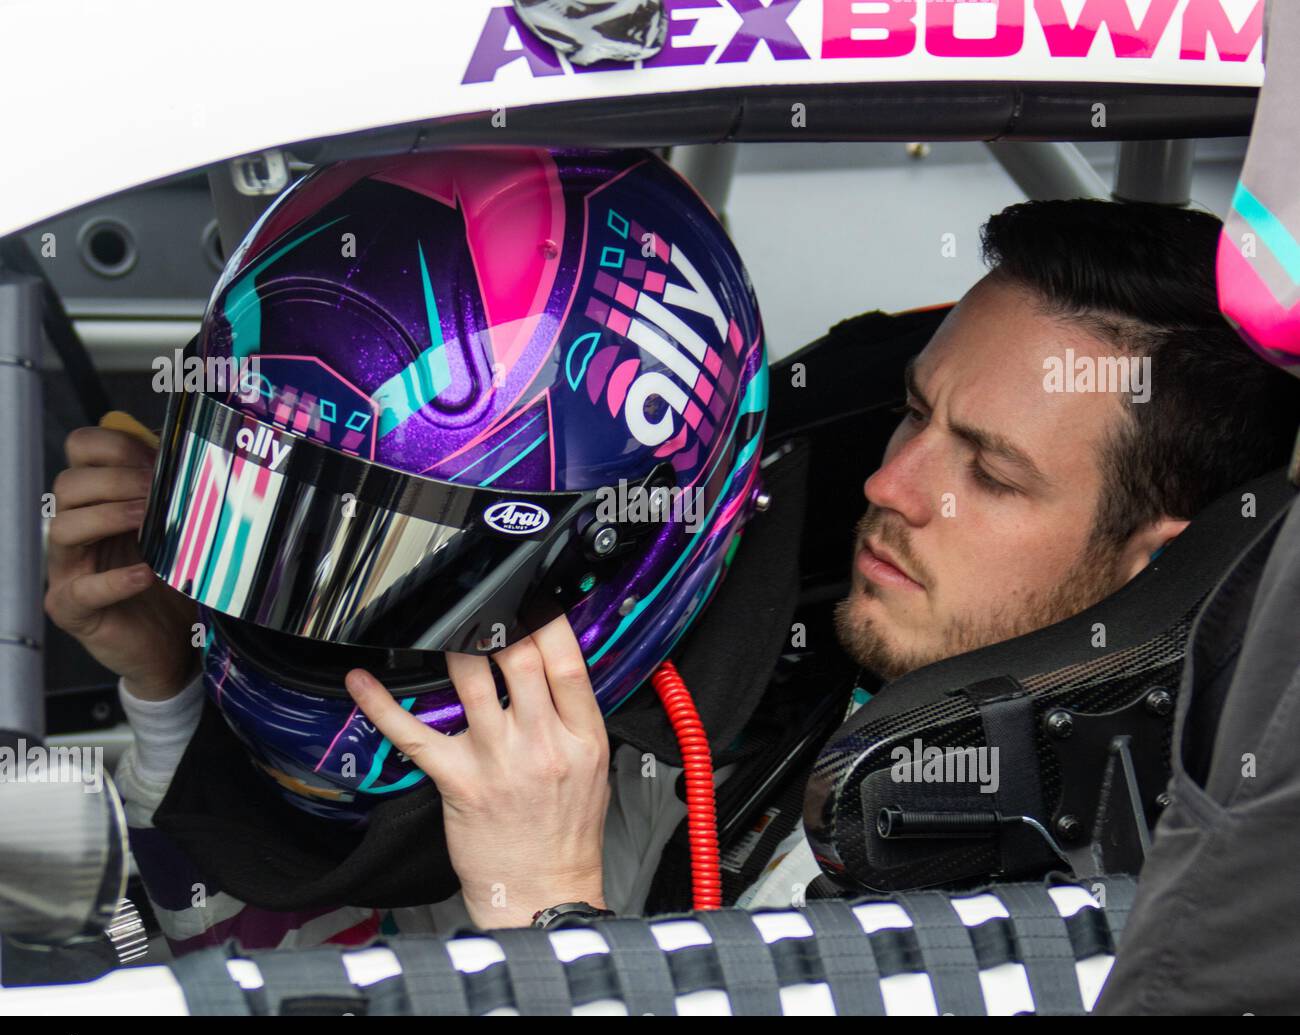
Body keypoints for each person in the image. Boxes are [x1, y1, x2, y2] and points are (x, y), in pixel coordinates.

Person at [47, 183, 1299, 947]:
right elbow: (349, 966)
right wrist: (174, 690)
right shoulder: (789, 672)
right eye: (913, 414)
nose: (889, 482)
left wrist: (553, 919)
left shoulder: (1150, 885)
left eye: (993, 471)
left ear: (1161, 559)